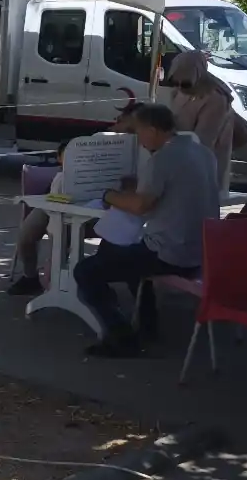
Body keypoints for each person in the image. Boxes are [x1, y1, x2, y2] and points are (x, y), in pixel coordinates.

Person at [73, 103, 218, 357]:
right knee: (130, 257)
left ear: (152, 130)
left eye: (139, 133)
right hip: (204, 250)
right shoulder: (203, 152)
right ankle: (147, 324)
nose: (139, 141)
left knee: (86, 271)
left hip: (172, 253)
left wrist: (110, 195)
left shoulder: (162, 158)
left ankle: (120, 336)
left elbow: (140, 205)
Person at [9, 105, 143, 296]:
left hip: (103, 209)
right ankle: (31, 278)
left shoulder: (142, 151)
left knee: (68, 235)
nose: (116, 123)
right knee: (27, 235)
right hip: (61, 199)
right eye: (118, 119)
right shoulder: (99, 140)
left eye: (121, 120)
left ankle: (64, 285)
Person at [165, 50, 247, 194]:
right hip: (178, 160)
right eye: (174, 81)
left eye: (185, 84)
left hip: (203, 167)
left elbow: (204, 141)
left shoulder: (215, 98)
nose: (178, 87)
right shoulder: (178, 92)